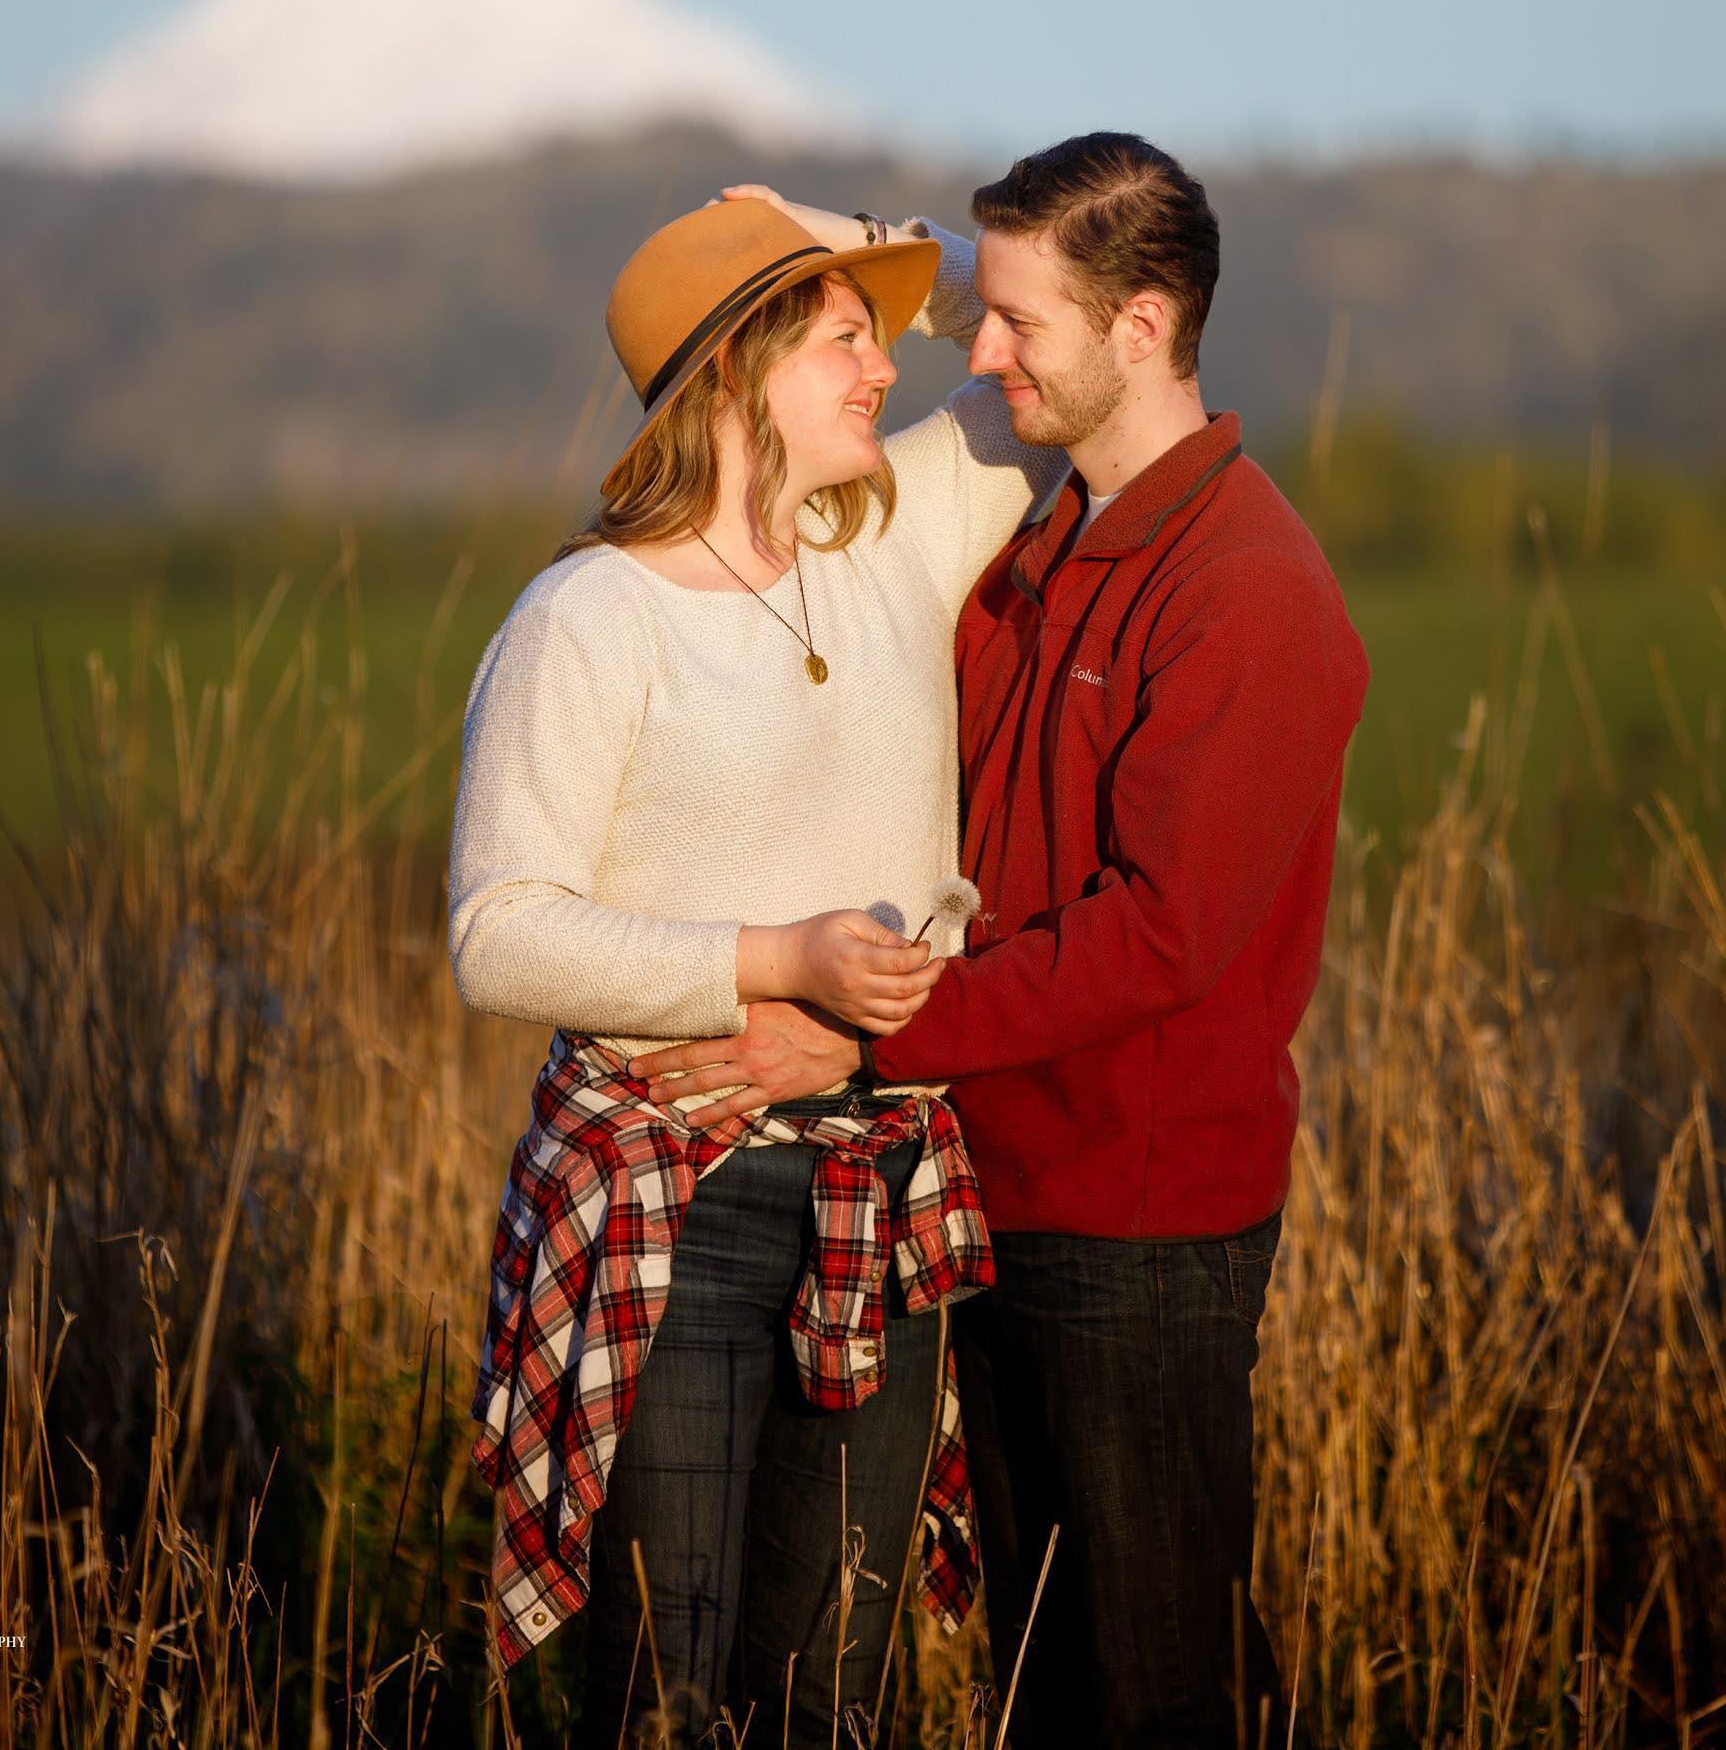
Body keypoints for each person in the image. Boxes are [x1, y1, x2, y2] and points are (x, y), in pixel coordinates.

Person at [638, 136, 1371, 1748]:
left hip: (1139, 1229)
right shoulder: (1043, 543)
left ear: (1139, 326)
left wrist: (868, 1034)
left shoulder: (1245, 589)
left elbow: (1163, 938)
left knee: (1150, 1688)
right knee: (1046, 1685)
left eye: (1017, 322)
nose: (978, 353)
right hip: (989, 1199)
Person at [450, 194, 1065, 1746]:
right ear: (733, 372)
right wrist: (768, 959)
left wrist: (867, 254)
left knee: (837, 1691)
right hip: (671, 1205)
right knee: (659, 1681)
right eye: (842, 339)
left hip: (878, 1183)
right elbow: (498, 928)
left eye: (880, 338)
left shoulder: (896, 543)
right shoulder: (585, 619)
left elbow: (1027, 380)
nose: (884, 370)